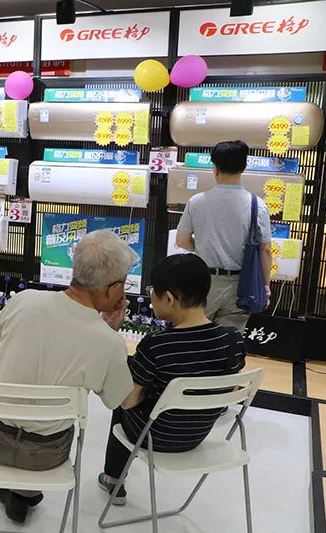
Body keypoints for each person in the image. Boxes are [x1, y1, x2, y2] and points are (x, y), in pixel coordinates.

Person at [0, 229, 136, 524]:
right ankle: (24, 492)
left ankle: (19, 491)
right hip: (46, 455)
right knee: (54, 427)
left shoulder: (24, 301)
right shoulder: (108, 342)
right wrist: (110, 332)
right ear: (114, 289)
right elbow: (121, 400)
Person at [98, 254, 247, 506]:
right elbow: (228, 390)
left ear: (168, 298)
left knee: (123, 397)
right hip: (197, 434)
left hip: (153, 437)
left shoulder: (157, 345)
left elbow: (127, 402)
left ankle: (114, 479)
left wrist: (113, 339)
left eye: (152, 292)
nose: (151, 297)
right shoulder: (233, 340)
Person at [175, 140, 272, 331]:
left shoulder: (196, 202)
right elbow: (265, 250)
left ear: (215, 168)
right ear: (243, 167)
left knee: (196, 335)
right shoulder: (257, 205)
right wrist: (265, 284)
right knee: (229, 340)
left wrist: (201, 247)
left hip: (204, 282)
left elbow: (182, 241)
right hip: (241, 285)